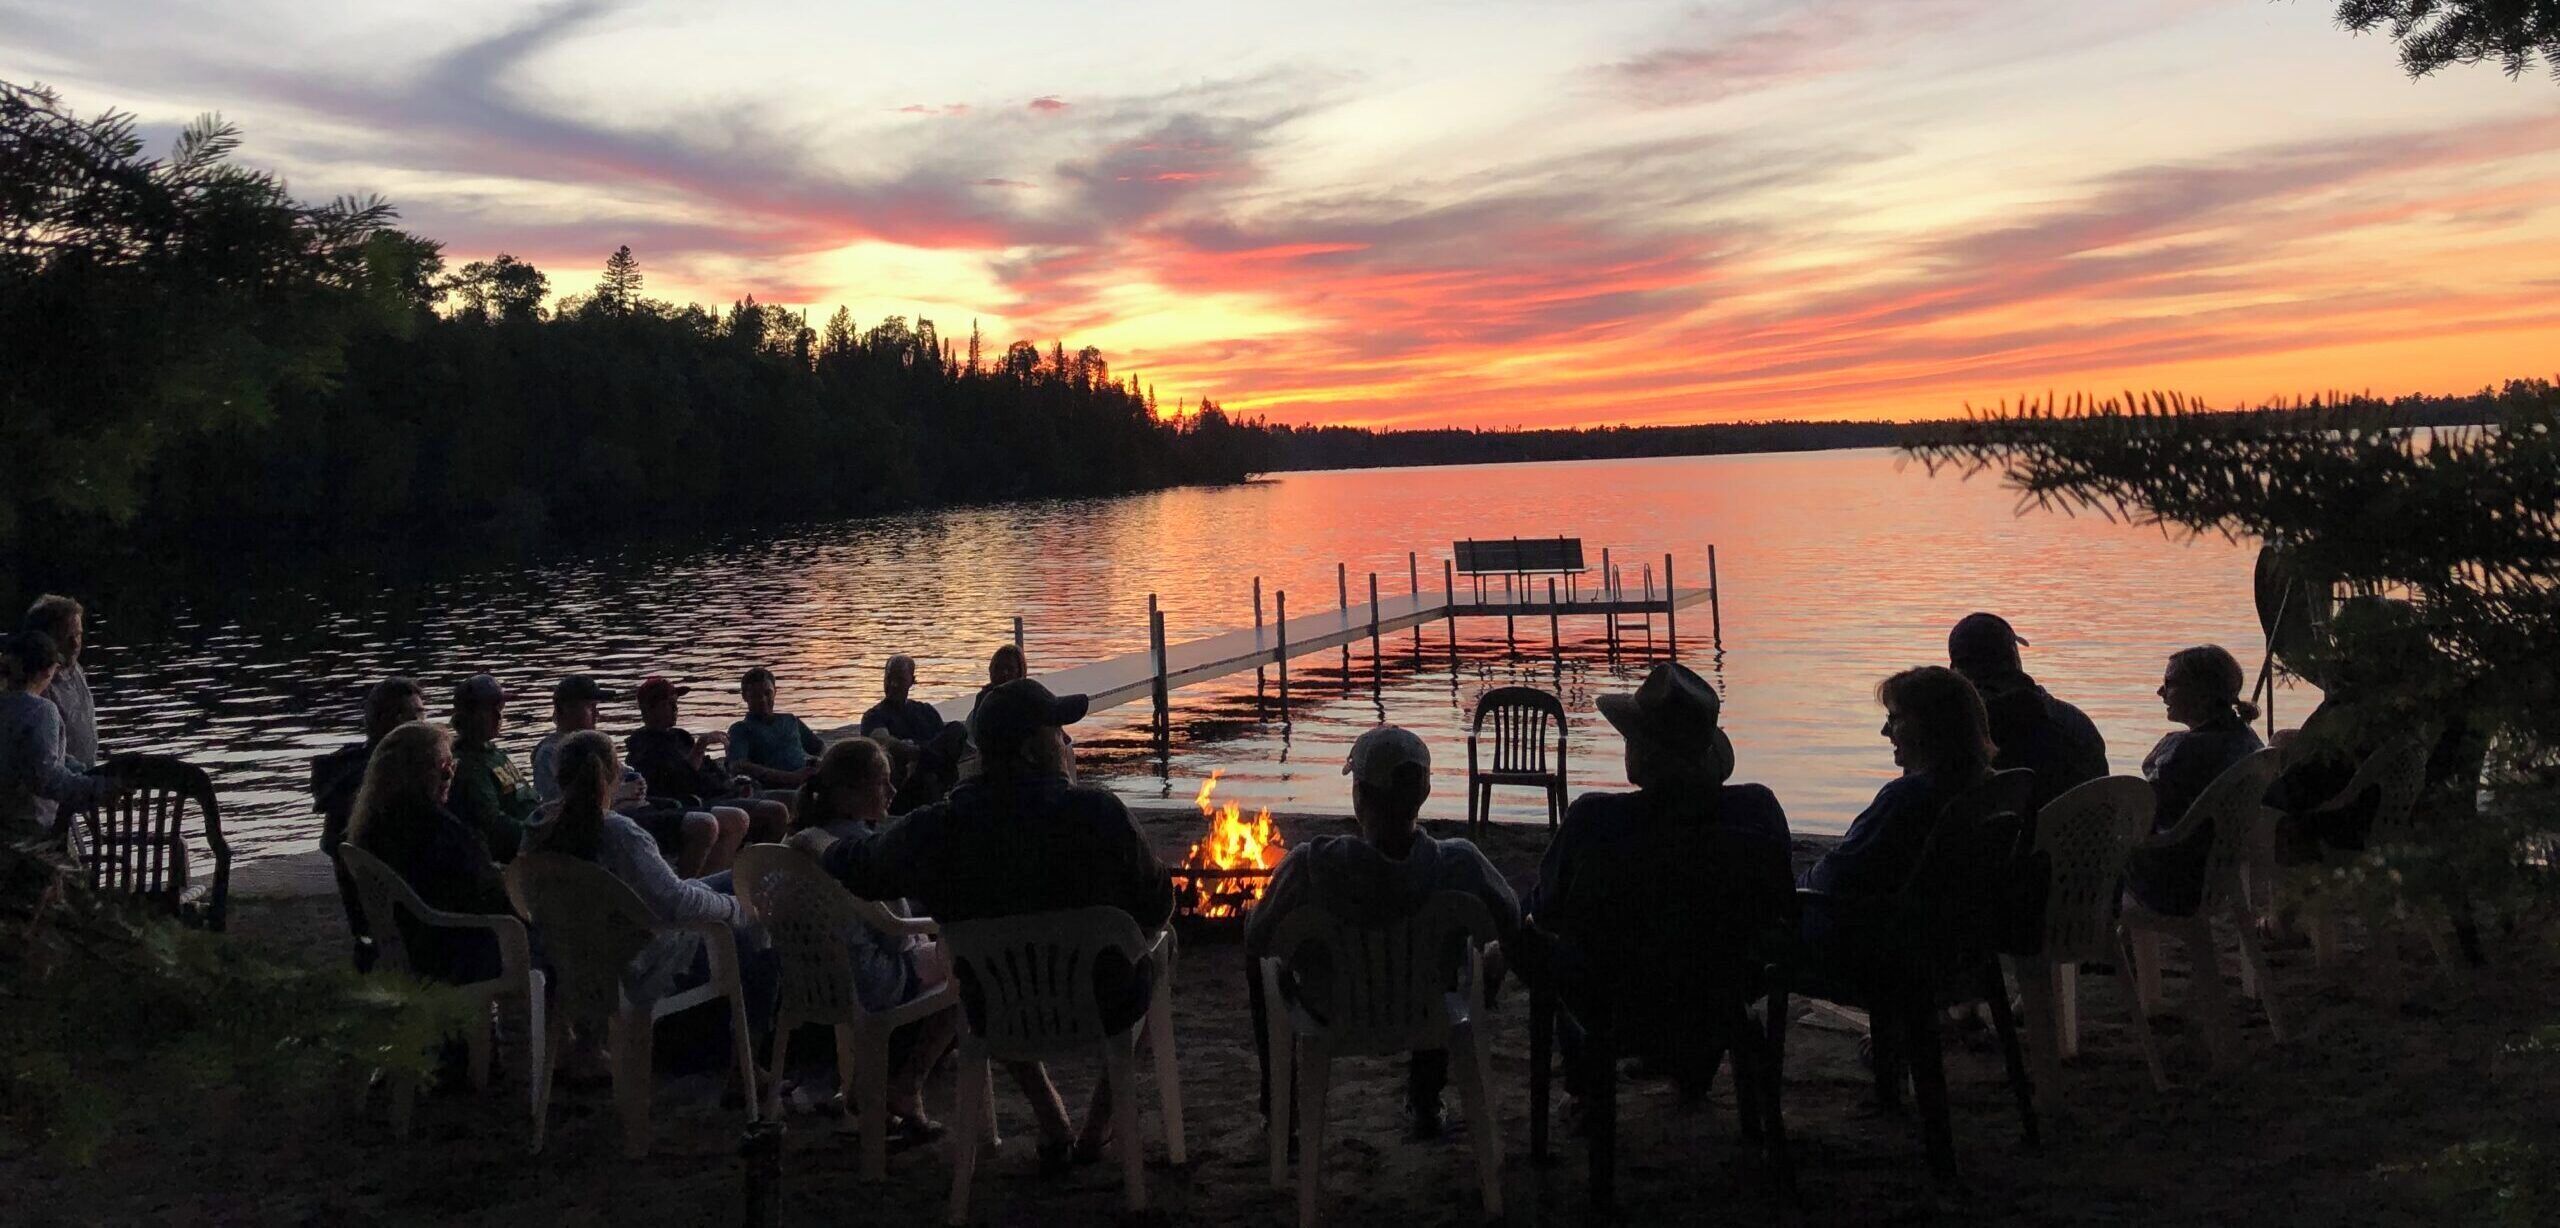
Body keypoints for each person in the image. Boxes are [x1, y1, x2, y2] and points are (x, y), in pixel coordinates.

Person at [802, 678, 1172, 1172]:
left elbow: (861, 868)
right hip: (1102, 1003)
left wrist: (817, 841)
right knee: (1162, 946)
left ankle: (1050, 1116)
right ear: (1030, 750)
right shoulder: (1099, 813)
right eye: (1056, 732)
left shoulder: (938, 827)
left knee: (988, 964)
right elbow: (1158, 907)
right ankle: (1096, 1127)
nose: (1065, 742)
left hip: (994, 1010)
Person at [1525, 663, 1794, 1102]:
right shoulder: (1757, 809)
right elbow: (1781, 905)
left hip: (1615, 999)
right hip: (1723, 991)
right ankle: (1693, 1068)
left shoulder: (1596, 819)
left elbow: (1551, 910)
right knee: (1706, 950)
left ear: (1643, 754)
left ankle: (1587, 1091)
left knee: (1555, 947)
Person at [1244, 724, 1519, 1139]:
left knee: (1263, 968)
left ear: (1359, 797)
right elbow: (1511, 919)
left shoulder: (1309, 866)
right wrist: (1488, 980)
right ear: (1424, 794)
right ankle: (1425, 1098)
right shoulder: (1460, 864)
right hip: (1428, 1010)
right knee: (1452, 964)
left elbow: (1256, 939)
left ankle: (1277, 1106)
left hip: (1330, 1010)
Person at [524, 730, 776, 1056]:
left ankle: (588, 1044)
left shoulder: (537, 828)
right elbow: (675, 904)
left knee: (743, 878)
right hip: (639, 966)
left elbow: (666, 893)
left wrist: (717, 893)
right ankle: (749, 1061)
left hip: (576, 959)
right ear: (613, 775)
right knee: (757, 927)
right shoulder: (617, 832)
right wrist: (739, 908)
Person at [777, 737, 960, 1136]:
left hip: (805, 978)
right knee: (967, 961)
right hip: (868, 983)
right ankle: (907, 1085)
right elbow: (896, 940)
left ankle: (863, 1085)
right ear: (849, 793)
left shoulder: (794, 841)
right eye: (882, 783)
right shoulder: (866, 853)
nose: (893, 792)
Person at [1802, 666, 2001, 902]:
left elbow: (1833, 878)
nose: (1885, 731)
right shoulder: (1987, 786)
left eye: (1895, 718)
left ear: (1931, 726)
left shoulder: (1908, 798)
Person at [346, 721, 513, 984]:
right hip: (455, 949)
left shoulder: (375, 824)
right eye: (440, 767)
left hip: (415, 941)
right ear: (409, 773)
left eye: (452, 765)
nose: (449, 776)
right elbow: (483, 896)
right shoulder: (432, 831)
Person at [532, 675, 742, 877]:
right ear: (563, 709)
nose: (597, 714)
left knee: (729, 817)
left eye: (597, 707)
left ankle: (703, 883)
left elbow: (630, 775)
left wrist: (636, 784)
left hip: (641, 809)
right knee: (705, 824)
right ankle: (685, 893)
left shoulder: (593, 743)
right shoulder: (551, 753)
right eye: (590, 707)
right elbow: (561, 807)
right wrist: (620, 794)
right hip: (613, 821)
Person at [2123, 646, 2266, 915]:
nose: (2160, 692)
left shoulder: (2188, 751)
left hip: (2175, 882)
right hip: (2216, 873)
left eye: (2169, 684)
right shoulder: (2246, 740)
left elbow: (2148, 814)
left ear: (2201, 692)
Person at [312, 676, 427, 969]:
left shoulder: (346, 772)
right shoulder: (382, 781)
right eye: (417, 715)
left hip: (369, 910)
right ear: (390, 719)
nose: (423, 724)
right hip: (402, 903)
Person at [1947, 612, 2105, 813]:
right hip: (2088, 837)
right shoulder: (2073, 720)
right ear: (2015, 657)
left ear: (1955, 671)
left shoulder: (1951, 734)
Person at [625, 675, 791, 841]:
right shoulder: (643, 747)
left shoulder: (680, 736)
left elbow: (708, 767)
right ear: (649, 709)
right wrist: (701, 746)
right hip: (702, 804)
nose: (675, 708)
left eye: (676, 702)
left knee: (794, 798)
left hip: (725, 793)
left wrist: (731, 782)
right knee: (776, 811)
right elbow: (678, 784)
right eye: (668, 704)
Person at [1, 630, 121, 850]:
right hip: (28, 837)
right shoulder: (41, 711)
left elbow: (39, 755)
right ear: (47, 671)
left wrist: (83, 772)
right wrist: (100, 788)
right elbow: (46, 777)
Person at [447, 674, 539, 862]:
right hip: (517, 858)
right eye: (489, 710)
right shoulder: (467, 766)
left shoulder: (493, 754)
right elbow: (493, 825)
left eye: (500, 708)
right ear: (468, 715)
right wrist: (542, 833)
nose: (498, 716)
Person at [24, 595, 96, 773]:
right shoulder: (34, 685)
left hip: (82, 780)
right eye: (66, 637)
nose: (75, 644)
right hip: (57, 786)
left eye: (78, 635)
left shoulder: (75, 669)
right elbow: (44, 756)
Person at [730, 667, 826, 790]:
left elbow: (818, 746)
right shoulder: (740, 729)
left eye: (767, 693)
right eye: (755, 695)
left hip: (807, 780)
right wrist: (790, 777)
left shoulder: (790, 720)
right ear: (744, 696)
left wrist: (818, 760)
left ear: (775, 692)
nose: (762, 700)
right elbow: (738, 765)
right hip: (775, 788)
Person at [858, 655, 943, 744]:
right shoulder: (874, 716)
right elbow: (884, 742)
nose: (893, 684)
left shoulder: (926, 711)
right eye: (889, 678)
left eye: (900, 679)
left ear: (912, 681)